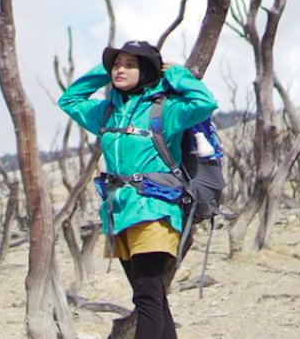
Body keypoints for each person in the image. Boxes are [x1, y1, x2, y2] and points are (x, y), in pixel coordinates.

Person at [58, 40, 217, 339]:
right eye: (117, 64)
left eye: (130, 65)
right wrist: (104, 71)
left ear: (147, 71)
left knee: (147, 295)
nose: (121, 69)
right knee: (151, 296)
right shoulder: (107, 112)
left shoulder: (166, 110)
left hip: (155, 209)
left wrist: (176, 74)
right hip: (120, 211)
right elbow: (70, 100)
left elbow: (204, 103)